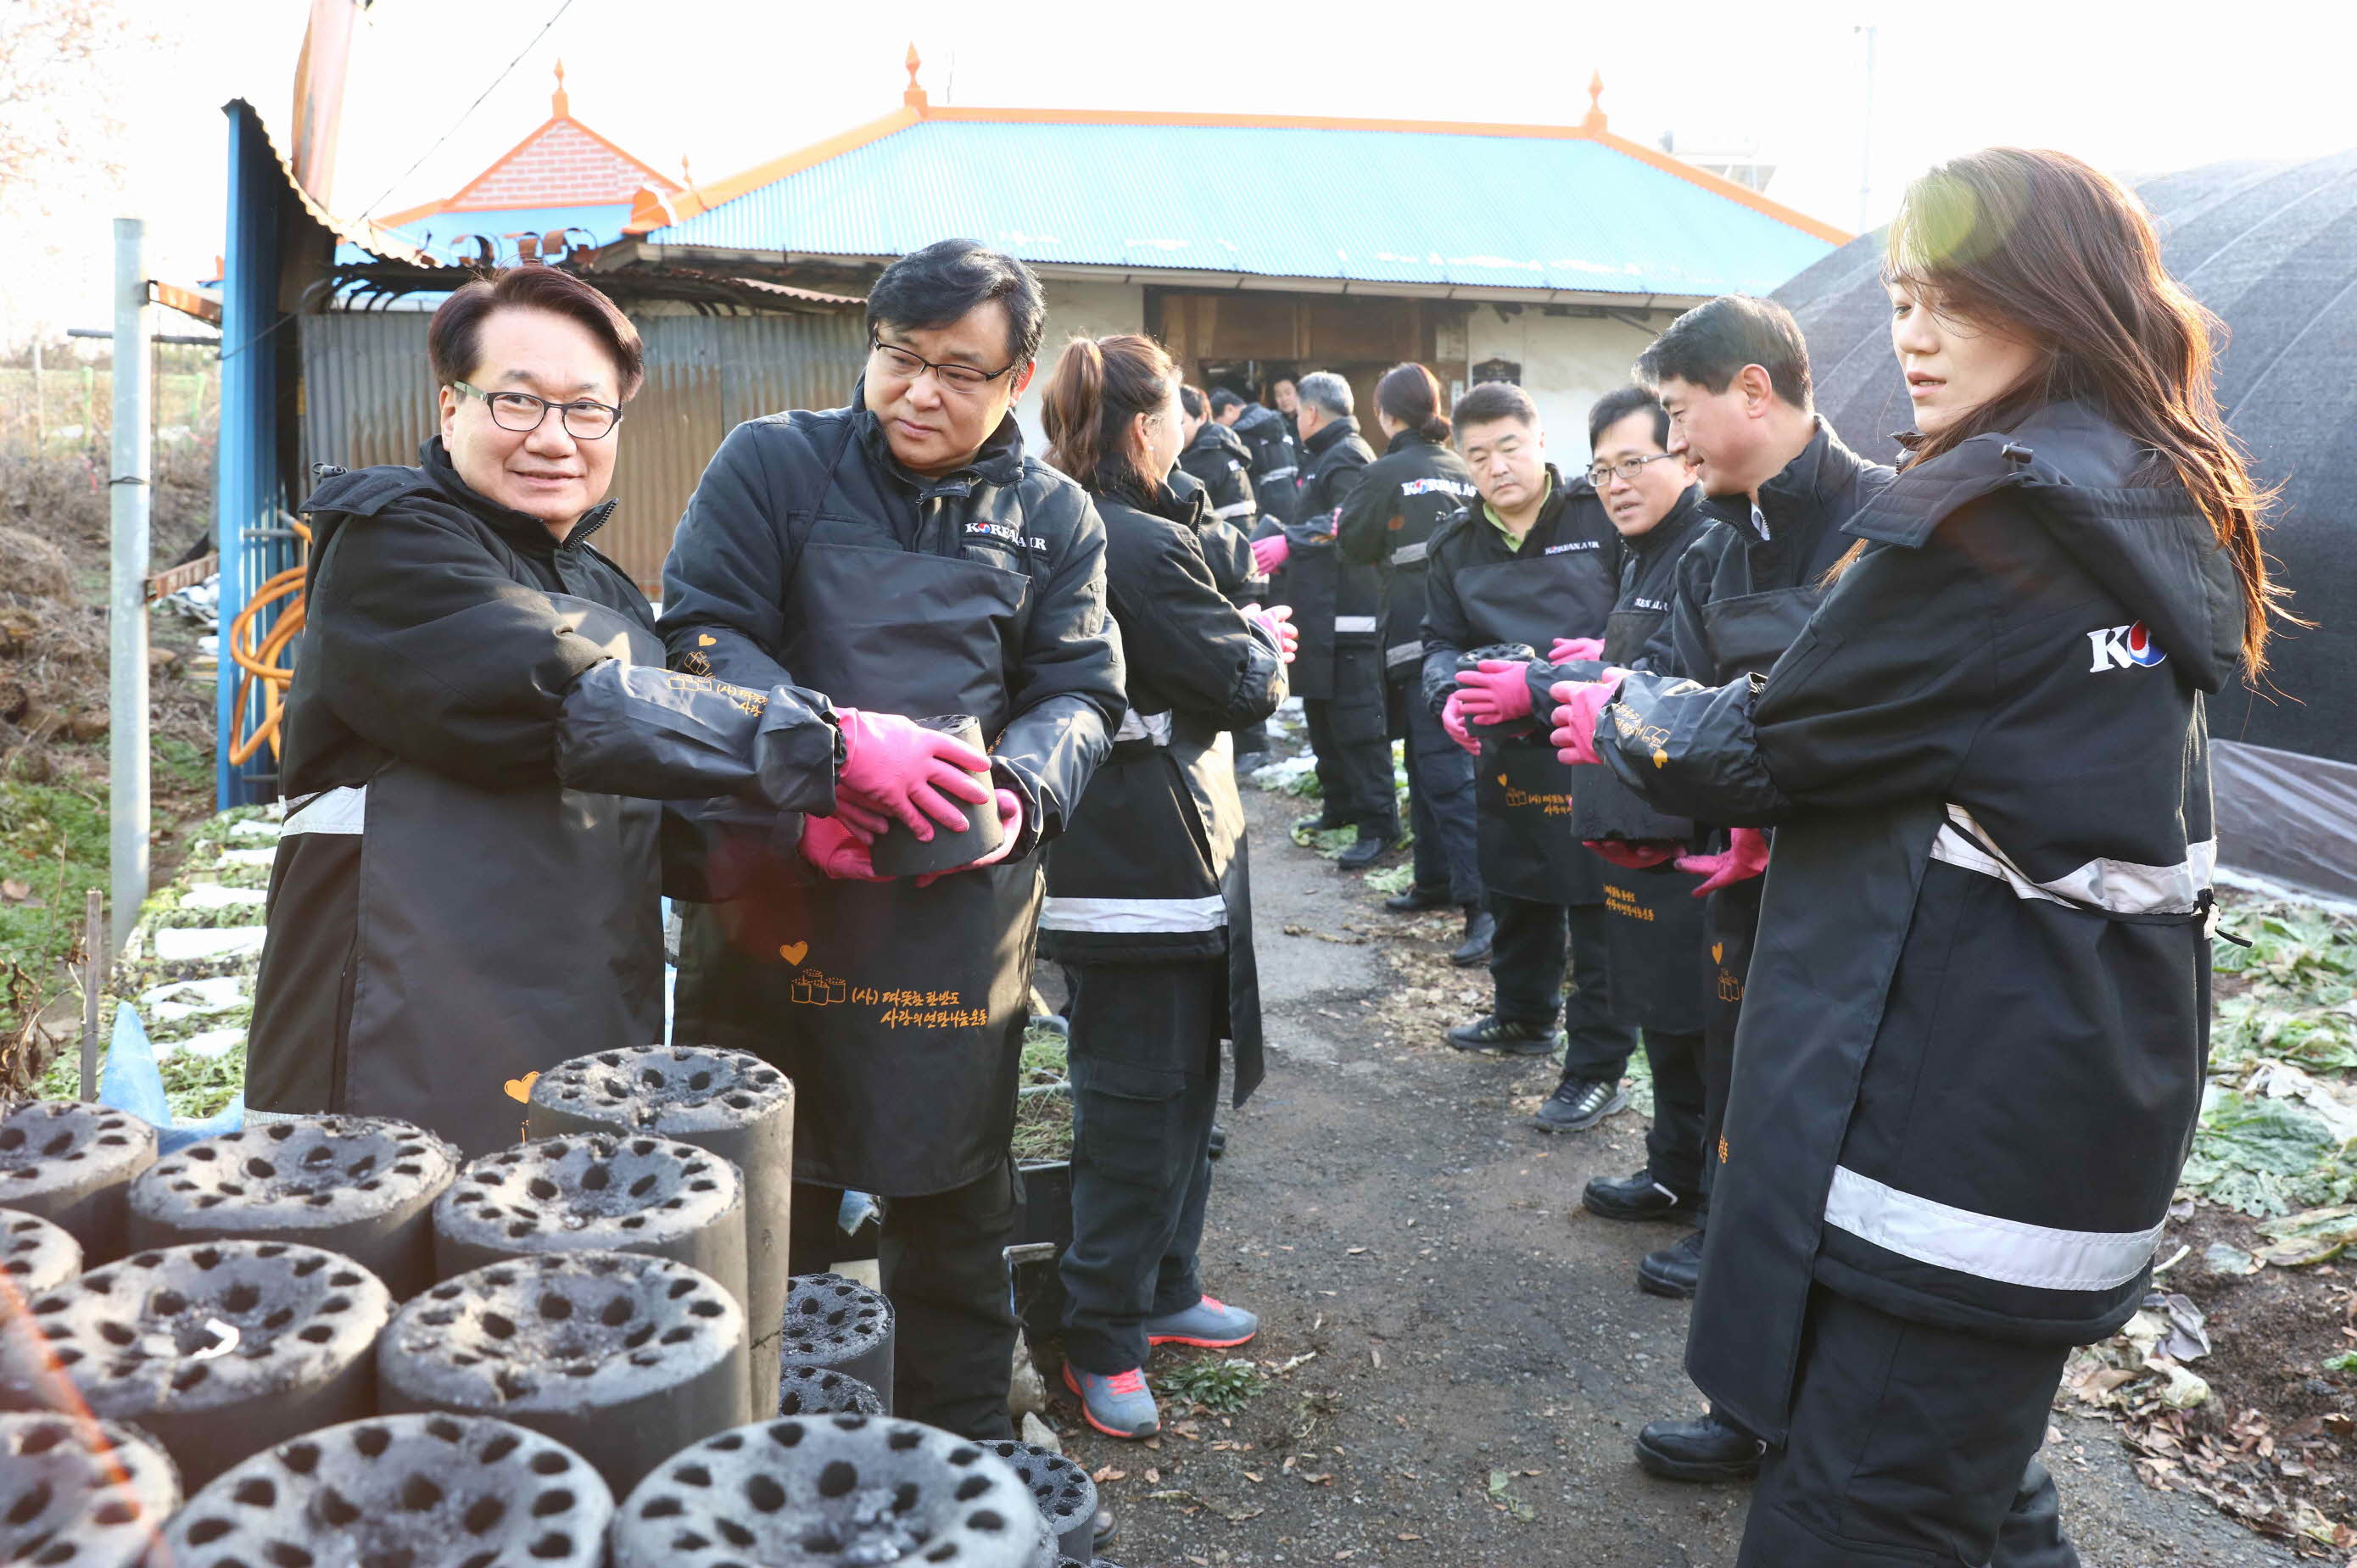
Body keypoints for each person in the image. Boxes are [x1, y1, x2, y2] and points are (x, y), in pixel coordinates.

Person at [1551, 147, 2285, 1565]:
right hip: (2063, 1092)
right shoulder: (2138, 490)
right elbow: (1974, 737)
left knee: (1858, 1509)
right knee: (1975, 1487)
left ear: (2055, 297)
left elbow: (1774, 738)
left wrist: (1620, 710)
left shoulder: (1988, 519)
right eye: (1899, 297)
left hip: (1945, 1125)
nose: (1912, 335)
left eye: (1953, 297)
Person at [248, 266, 977, 1156]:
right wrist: (826, 744)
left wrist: (799, 836)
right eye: (518, 402)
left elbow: (652, 817)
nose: (555, 438)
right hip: (396, 1037)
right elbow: (568, 694)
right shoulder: (395, 544)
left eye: (586, 409)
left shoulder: (605, 590)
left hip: (576, 1033)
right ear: (451, 408)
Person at [659, 239, 1125, 1439]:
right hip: (775, 875)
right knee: (763, 1180)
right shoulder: (771, 463)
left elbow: (1080, 689)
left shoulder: (1053, 515)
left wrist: (1018, 790)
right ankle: (751, 1438)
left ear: (1016, 380)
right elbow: (702, 629)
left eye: (959, 371)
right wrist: (820, 755)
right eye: (900, 359)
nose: (921, 392)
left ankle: (961, 1450)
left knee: (954, 1198)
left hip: (954, 901)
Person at [1554, 295, 1896, 1482]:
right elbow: (1683, 698)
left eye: (1681, 413)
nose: (1675, 442)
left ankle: (1831, 1425)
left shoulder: (1878, 524)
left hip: (1861, 892)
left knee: (1832, 1157)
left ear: (1753, 390)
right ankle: (1744, 1407)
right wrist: (1714, 814)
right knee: (1750, 1140)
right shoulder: (1717, 537)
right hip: (1752, 882)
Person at [1035, 335, 1294, 1439]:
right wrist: (1258, 646)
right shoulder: (1133, 542)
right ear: (1145, 428)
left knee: (1183, 1093)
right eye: (1181, 410)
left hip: (1159, 859)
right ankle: (1099, 1336)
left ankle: (1165, 1287)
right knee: (1139, 1107)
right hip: (1140, 873)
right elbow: (1239, 681)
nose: (1192, 426)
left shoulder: (1102, 522)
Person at [1421, 382, 1636, 1130]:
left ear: (1540, 440)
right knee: (1516, 883)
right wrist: (1447, 692)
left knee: (1598, 907)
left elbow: (1643, 614)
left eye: (1509, 446)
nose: (1497, 467)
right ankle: (1521, 1016)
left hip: (1593, 740)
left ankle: (1597, 1067)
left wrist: (1604, 656)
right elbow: (1438, 642)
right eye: (1477, 455)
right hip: (1505, 747)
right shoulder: (1455, 545)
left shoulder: (1597, 514)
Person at [1550, 388, 1715, 1269]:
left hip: (1700, 830)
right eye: (1601, 468)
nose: (1614, 483)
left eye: (1632, 462)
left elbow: (1690, 685)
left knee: (1708, 1026)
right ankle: (1673, 1170)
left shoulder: (1704, 544)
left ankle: (1722, 1213)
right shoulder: (1640, 550)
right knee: (1662, 1013)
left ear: (1681, 456)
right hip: (1640, 824)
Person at [1336, 363, 1487, 965]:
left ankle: (1483, 910)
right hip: (1470, 642)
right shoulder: (1464, 470)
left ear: (1385, 414)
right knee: (1429, 765)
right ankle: (1434, 879)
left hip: (1414, 642)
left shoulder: (1384, 474)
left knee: (1445, 777)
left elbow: (1353, 543)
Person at [1255, 371, 1394, 869]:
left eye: (1297, 415)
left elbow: (1348, 522)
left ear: (1311, 413)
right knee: (1323, 719)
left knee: (1356, 725)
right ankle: (1340, 808)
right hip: (1319, 617)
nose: (1295, 424)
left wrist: (1288, 541)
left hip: (1350, 618)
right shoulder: (1321, 459)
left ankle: (1379, 824)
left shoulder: (1349, 455)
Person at [1176, 384, 1264, 606]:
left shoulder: (1206, 456)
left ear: (1202, 417)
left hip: (1228, 565)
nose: (1176, 429)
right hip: (1242, 557)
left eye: (1181, 421)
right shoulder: (1224, 445)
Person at [1212, 385, 1299, 527]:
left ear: (1229, 409)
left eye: (1216, 421)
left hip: (1267, 514)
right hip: (1294, 504)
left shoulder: (1242, 435)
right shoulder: (1278, 422)